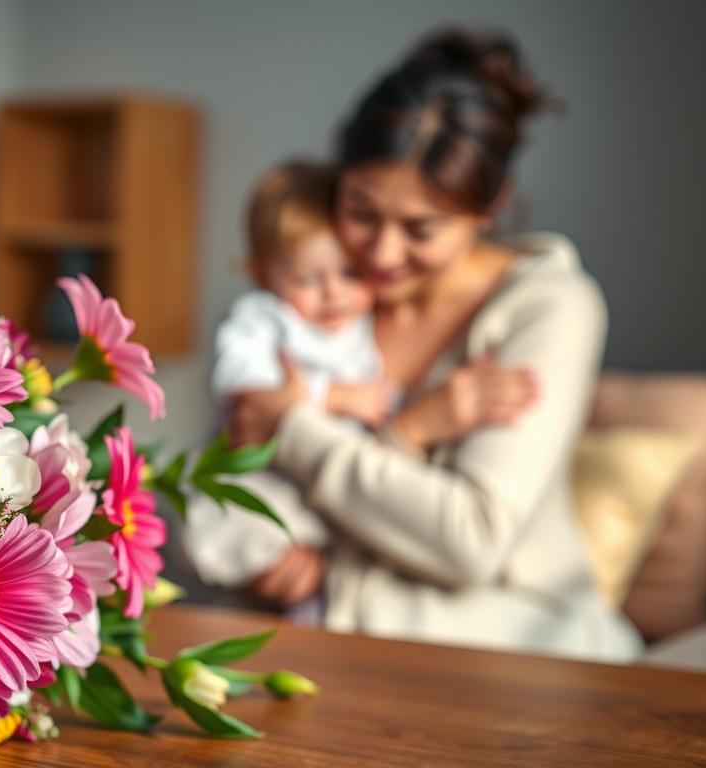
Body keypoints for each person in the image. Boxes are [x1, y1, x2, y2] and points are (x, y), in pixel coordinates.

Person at [218, 28, 643, 661]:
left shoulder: (550, 308)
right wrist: (256, 551)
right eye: (361, 210)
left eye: (421, 229)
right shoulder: (332, 291)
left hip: (509, 648)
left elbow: (468, 541)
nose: (382, 253)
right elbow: (237, 461)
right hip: (332, 640)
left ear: (489, 205)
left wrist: (294, 424)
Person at [192, 159, 540, 594]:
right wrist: (329, 396)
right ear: (264, 275)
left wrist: (426, 413)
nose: (334, 293)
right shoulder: (264, 317)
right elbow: (246, 389)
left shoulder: (360, 325)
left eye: (350, 274)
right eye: (309, 279)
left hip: (333, 509)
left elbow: (381, 416)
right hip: (263, 484)